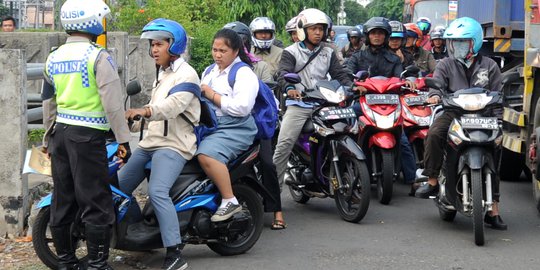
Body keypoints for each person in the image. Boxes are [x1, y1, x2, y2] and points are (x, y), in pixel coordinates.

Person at [41, 0, 131, 269]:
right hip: (88, 137)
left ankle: (66, 262)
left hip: (60, 136)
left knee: (63, 199)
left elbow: (49, 104)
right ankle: (97, 265)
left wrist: (47, 138)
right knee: (95, 201)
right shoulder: (98, 56)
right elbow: (113, 104)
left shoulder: (53, 56)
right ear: (92, 22)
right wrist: (124, 140)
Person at [118, 18, 198, 270]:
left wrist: (144, 110)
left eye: (159, 44)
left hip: (174, 144)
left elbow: (171, 107)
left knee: (157, 192)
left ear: (174, 46)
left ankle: (175, 253)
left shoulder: (187, 75)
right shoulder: (162, 74)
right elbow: (150, 116)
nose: (154, 49)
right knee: (118, 187)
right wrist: (127, 122)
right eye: (152, 45)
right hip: (152, 141)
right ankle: (140, 233)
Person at [415, 17, 507, 230]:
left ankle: (494, 210)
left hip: (484, 116)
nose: (456, 46)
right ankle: (432, 181)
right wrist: (435, 95)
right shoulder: (445, 64)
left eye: (462, 42)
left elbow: (498, 94)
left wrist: (499, 120)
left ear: (474, 42)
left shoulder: (490, 66)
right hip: (454, 113)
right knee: (435, 133)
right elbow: (436, 85)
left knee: (495, 152)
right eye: (454, 42)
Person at [273, 8, 352, 189]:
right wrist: (290, 88)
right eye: (313, 28)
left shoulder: (328, 52)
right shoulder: (290, 52)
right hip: (299, 103)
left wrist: (351, 87)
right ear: (303, 30)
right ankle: (273, 193)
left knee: (347, 129)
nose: (318, 33)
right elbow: (283, 73)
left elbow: (339, 74)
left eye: (321, 29)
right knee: (284, 144)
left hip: (324, 103)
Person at [223, 21, 286, 229]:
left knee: (267, 163)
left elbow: (266, 98)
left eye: (240, 43)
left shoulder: (259, 66)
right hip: (228, 126)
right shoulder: (216, 69)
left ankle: (277, 209)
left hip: (258, 125)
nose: (237, 47)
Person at [346, 17, 417, 191]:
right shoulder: (357, 57)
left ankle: (413, 179)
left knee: (402, 139)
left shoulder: (394, 59)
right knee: (347, 131)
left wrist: (407, 82)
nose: (377, 36)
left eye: (380, 33)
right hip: (362, 102)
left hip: (389, 104)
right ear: (367, 35)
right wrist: (355, 86)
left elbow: (401, 78)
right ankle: (348, 173)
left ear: (386, 36)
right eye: (373, 33)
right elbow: (347, 76)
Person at [198, 28, 259, 222]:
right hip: (210, 125)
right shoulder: (209, 72)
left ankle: (229, 199)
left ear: (235, 51)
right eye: (214, 49)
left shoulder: (244, 74)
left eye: (222, 51)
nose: (217, 54)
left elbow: (241, 108)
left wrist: (211, 95)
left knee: (206, 154)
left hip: (236, 127)